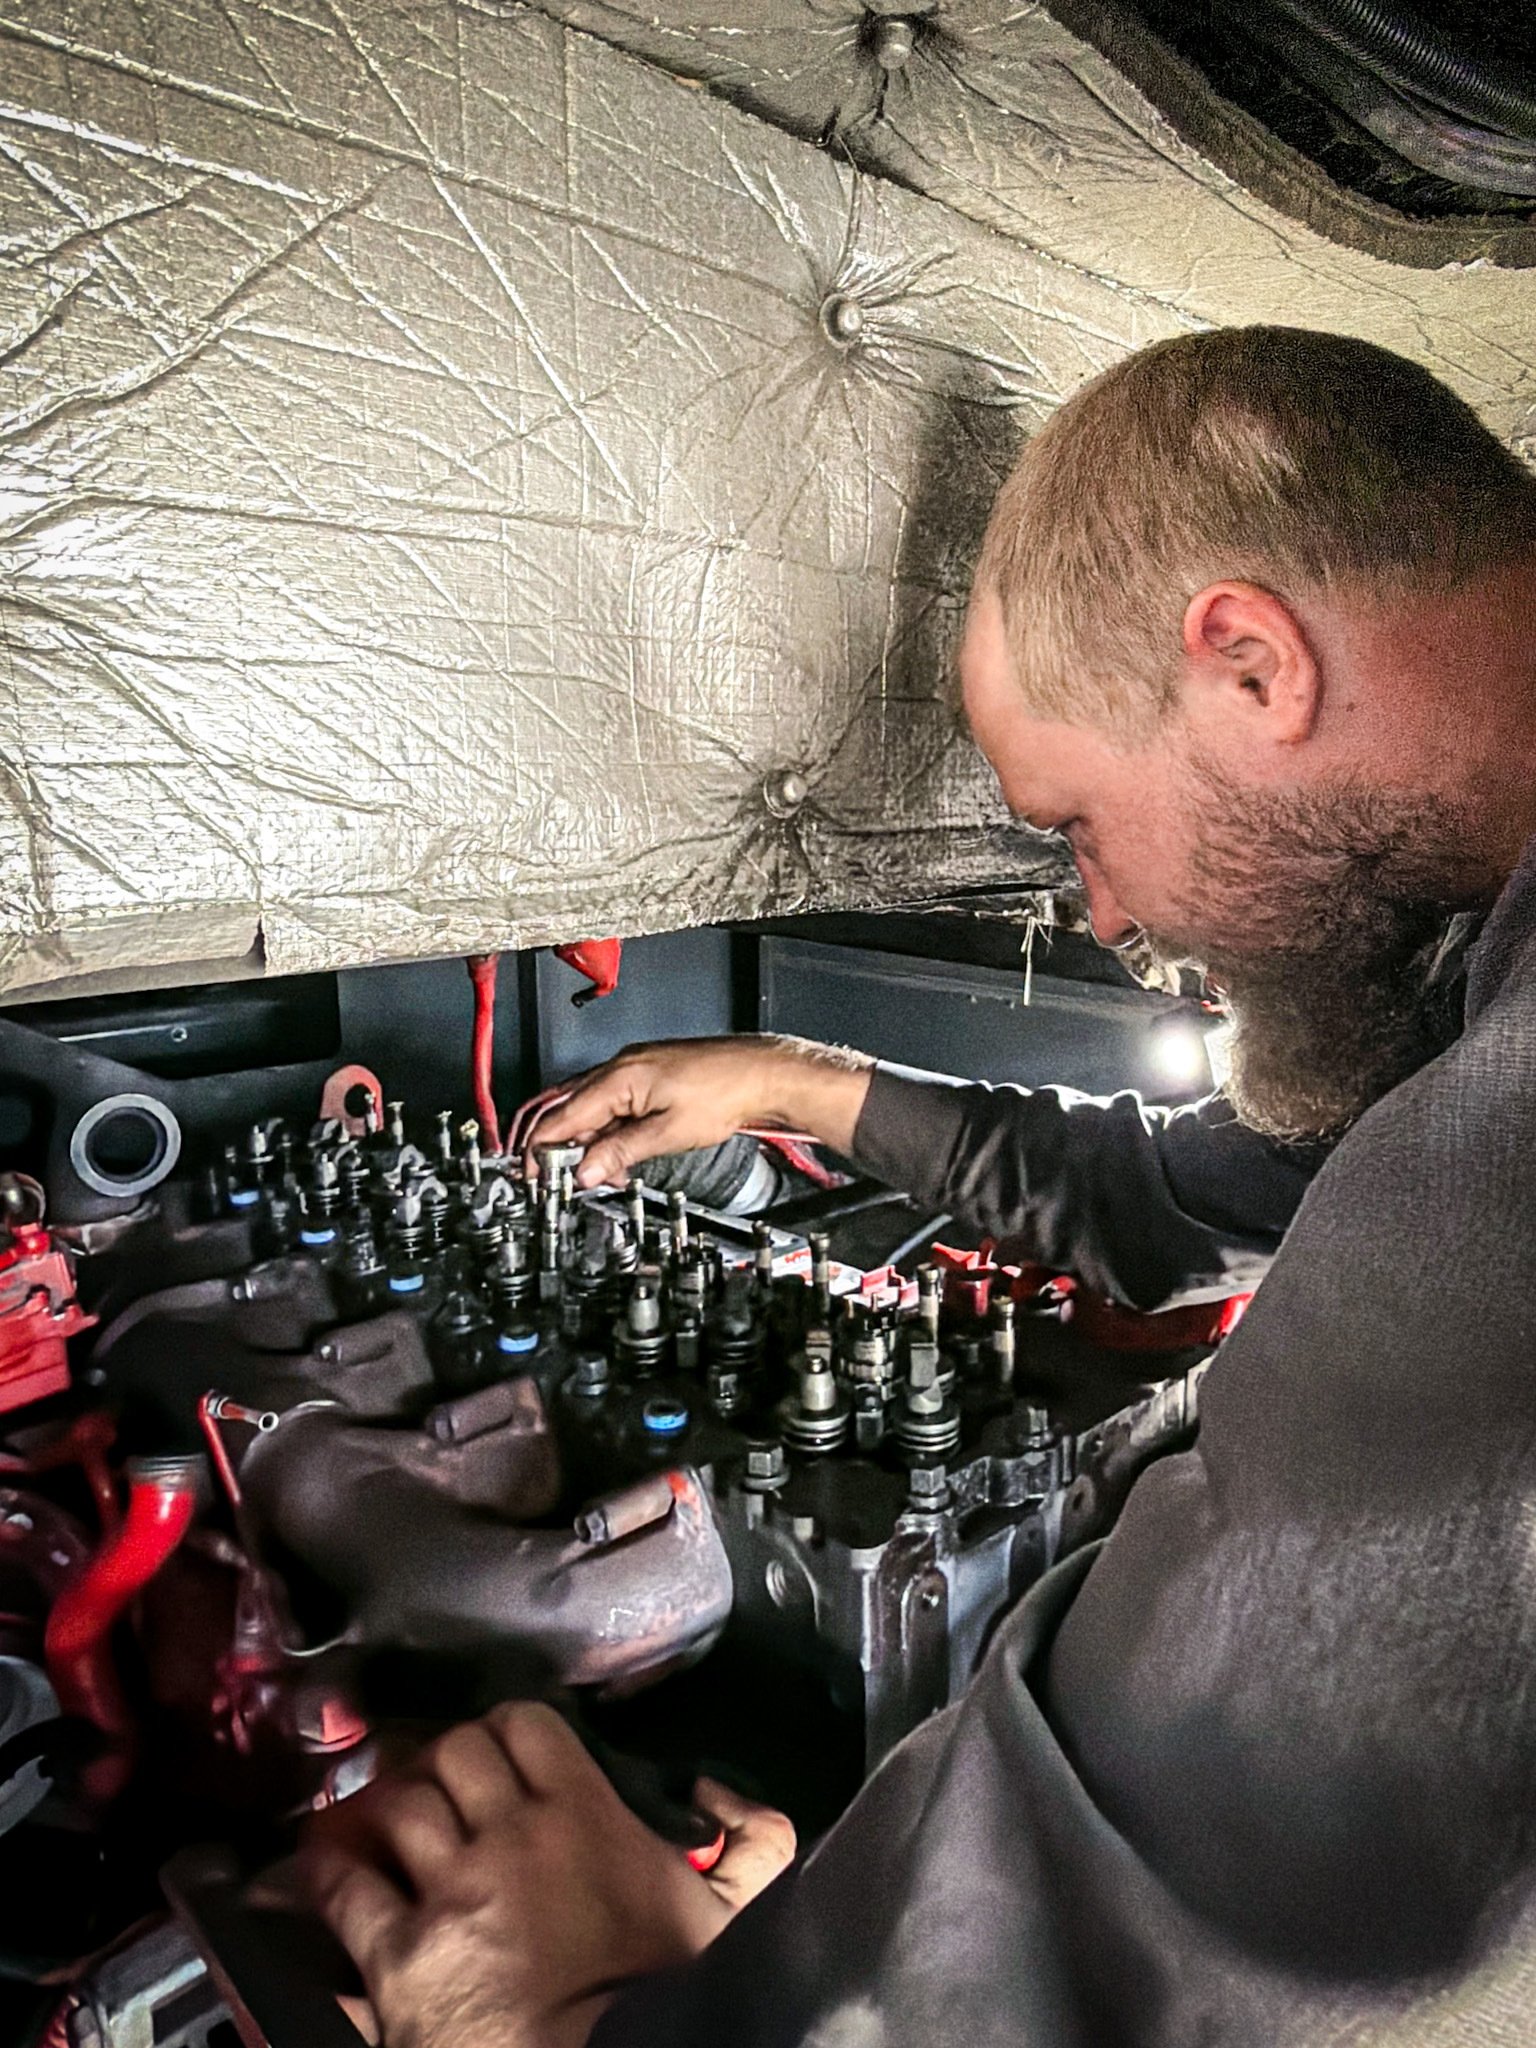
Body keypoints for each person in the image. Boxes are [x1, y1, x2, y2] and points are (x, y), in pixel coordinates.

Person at [302, 327, 1536, 2046]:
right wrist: (796, 1082)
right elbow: (1183, 1202)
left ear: (1253, 666)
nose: (1103, 917)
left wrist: (562, 2008)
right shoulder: (1470, 988)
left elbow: (1272, 1862)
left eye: (1075, 825)